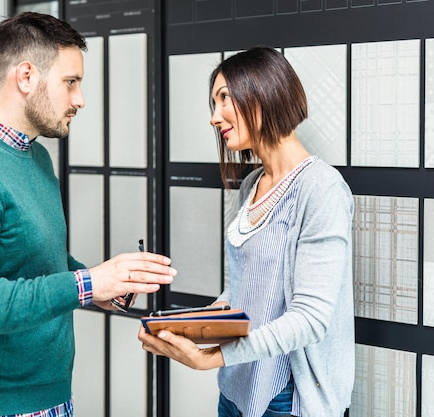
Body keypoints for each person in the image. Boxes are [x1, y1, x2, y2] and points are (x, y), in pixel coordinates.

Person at [0, 12, 177, 417]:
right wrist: (87, 283)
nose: (80, 99)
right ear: (25, 77)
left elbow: (35, 258)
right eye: (70, 82)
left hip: (49, 397)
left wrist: (103, 285)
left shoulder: (34, 155)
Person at [138, 46, 354, 417]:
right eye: (213, 102)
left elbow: (310, 319)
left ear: (264, 94)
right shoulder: (251, 184)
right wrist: (192, 328)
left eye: (224, 99)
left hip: (287, 398)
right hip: (237, 387)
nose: (214, 117)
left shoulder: (322, 189)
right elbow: (245, 288)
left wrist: (213, 357)